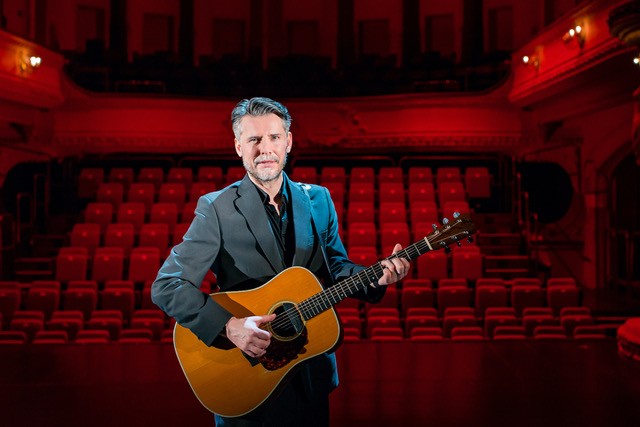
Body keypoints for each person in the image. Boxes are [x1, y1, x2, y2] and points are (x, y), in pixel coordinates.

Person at [151, 97, 410, 426]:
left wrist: (376, 277)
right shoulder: (216, 208)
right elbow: (168, 285)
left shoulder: (318, 199)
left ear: (288, 141)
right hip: (245, 375)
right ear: (238, 146)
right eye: (254, 139)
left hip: (309, 373)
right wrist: (229, 326)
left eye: (274, 137)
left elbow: (335, 268)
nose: (265, 149)